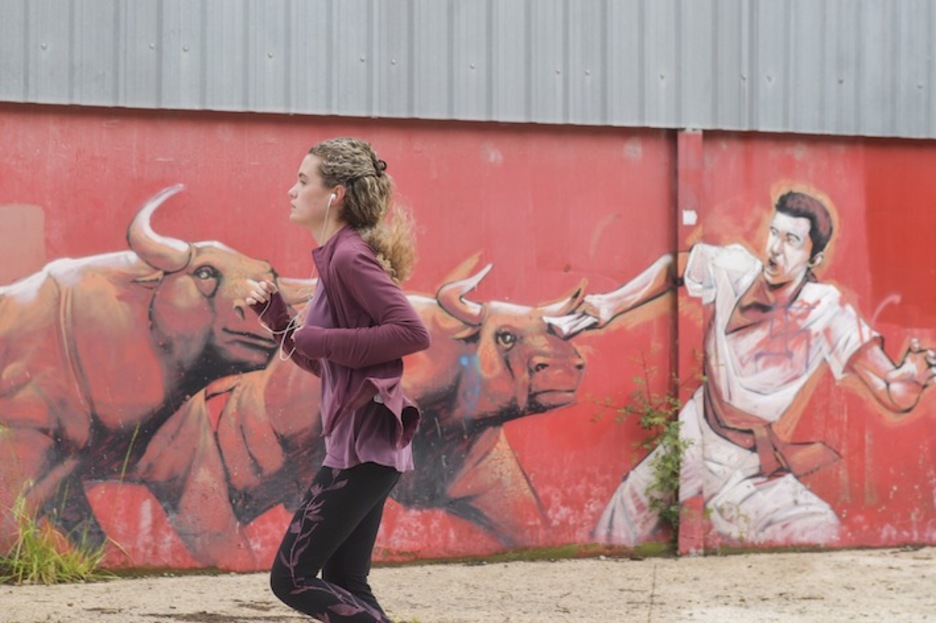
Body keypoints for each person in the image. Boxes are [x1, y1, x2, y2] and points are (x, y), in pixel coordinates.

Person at [559, 190, 936, 546]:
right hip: (693, 432)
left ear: (814, 257)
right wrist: (612, 303)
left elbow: (889, 387)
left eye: (792, 241)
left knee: (819, 528)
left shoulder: (826, 309)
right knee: (619, 523)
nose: (775, 248)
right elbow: (674, 267)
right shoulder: (734, 267)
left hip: (747, 465)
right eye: (775, 233)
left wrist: (911, 379)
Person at [245, 137, 430, 622]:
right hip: (361, 444)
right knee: (346, 581)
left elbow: (412, 332)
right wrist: (279, 320)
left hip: (364, 446)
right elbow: (329, 360)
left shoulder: (349, 257)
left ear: (336, 195)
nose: (291, 190)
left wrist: (318, 338)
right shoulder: (335, 259)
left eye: (303, 181)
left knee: (292, 578)